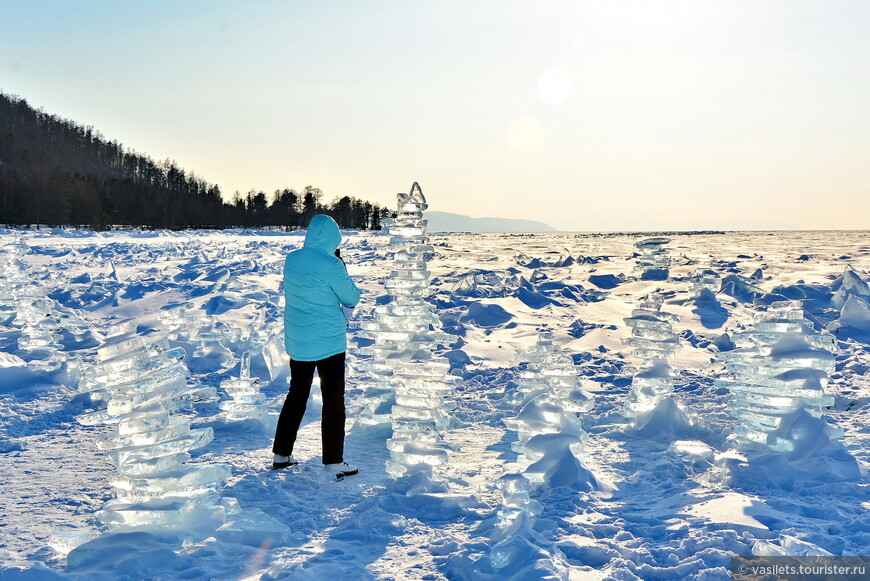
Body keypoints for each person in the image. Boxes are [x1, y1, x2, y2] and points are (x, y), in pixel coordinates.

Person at [272, 214, 361, 480]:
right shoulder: (332, 264)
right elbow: (351, 297)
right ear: (334, 238)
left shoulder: (292, 259)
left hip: (298, 340)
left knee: (296, 396)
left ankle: (281, 454)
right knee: (333, 401)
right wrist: (340, 263)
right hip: (329, 342)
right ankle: (333, 460)